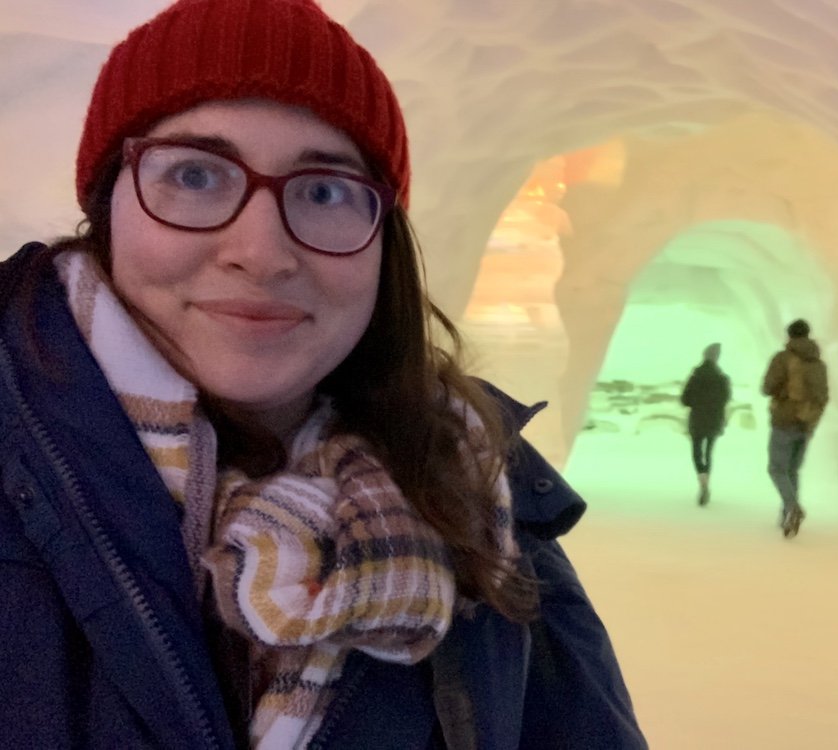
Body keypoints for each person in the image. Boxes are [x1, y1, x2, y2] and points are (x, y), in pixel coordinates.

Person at [0, 1, 648, 747]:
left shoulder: (482, 513)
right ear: (108, 204)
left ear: (384, 244)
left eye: (324, 191)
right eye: (194, 175)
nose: (262, 250)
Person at [761, 319, 829, 537]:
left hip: (784, 419)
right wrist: (811, 419)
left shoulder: (782, 359)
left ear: (789, 336)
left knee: (776, 469)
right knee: (792, 470)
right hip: (807, 422)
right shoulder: (819, 364)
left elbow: (767, 387)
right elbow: (822, 396)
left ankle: (792, 508)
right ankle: (787, 516)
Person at [679, 342, 731, 506]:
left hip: (697, 419)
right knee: (709, 451)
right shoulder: (722, 378)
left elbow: (684, 399)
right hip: (714, 420)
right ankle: (706, 478)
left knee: (696, 451)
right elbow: (726, 399)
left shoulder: (695, 376)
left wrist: (697, 402)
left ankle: (702, 479)